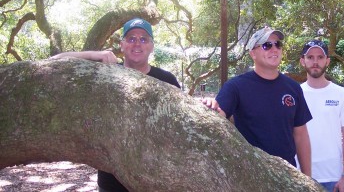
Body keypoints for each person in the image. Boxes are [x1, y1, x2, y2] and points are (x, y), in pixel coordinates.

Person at [52, 18, 181, 192]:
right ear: (121, 45)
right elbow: (55, 62)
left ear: (151, 46)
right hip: (111, 182)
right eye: (131, 38)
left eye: (143, 39)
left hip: (155, 181)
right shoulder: (106, 73)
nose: (137, 44)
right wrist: (94, 55)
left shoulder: (167, 80)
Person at [203, 26, 312, 176]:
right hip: (251, 176)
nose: (274, 49)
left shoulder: (293, 88)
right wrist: (210, 105)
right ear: (253, 53)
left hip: (288, 177)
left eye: (278, 44)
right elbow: (218, 114)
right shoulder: (236, 86)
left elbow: (301, 134)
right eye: (267, 45)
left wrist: (307, 179)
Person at [299, 39, 344, 192]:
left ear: (327, 61)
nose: (315, 62)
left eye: (320, 57)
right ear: (302, 61)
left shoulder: (342, 95)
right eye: (310, 57)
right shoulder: (294, 94)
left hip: (333, 178)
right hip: (299, 175)